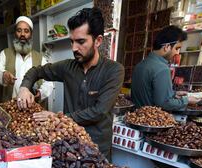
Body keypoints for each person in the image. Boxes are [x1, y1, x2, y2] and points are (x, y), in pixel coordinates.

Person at [16, 8, 124, 159]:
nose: (74, 48)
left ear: (98, 41)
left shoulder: (114, 71)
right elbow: (36, 71)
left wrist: (56, 118)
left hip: (98, 151)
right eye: (72, 41)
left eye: (80, 42)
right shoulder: (68, 67)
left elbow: (98, 111)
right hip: (69, 148)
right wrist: (24, 87)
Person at [131, 25, 200, 111]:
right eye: (177, 48)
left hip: (136, 116)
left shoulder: (141, 64)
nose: (177, 53)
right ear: (167, 47)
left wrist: (174, 94)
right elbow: (164, 103)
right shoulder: (162, 69)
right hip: (151, 120)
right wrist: (186, 100)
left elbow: (149, 93)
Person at [0, 16, 53, 103]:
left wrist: (41, 93)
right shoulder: (5, 53)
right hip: (10, 107)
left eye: (26, 31)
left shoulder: (40, 58)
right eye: (19, 30)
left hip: (32, 109)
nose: (22, 34)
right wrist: (3, 74)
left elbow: (49, 82)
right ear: (15, 33)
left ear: (31, 34)